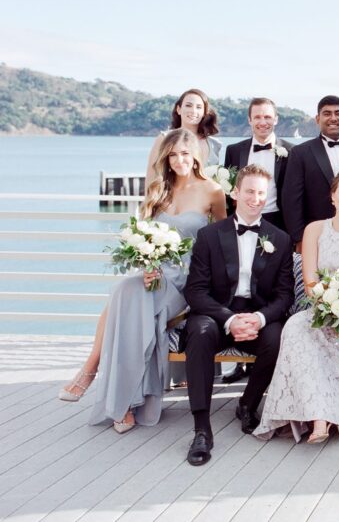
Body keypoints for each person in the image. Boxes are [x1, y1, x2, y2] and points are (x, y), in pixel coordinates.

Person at [59, 130, 227, 433]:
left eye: (185, 154)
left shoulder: (212, 191)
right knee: (124, 290)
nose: (179, 160)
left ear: (196, 156)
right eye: (173, 154)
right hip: (154, 271)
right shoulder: (157, 189)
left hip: (188, 277)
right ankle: (122, 402)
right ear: (166, 158)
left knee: (128, 301)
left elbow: (223, 239)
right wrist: (146, 266)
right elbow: (142, 237)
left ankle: (97, 377)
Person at [256, 170, 339, 442]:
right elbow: (310, 280)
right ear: (332, 195)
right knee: (295, 326)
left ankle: (326, 416)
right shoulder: (314, 229)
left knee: (312, 341)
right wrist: (327, 305)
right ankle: (327, 414)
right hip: (322, 307)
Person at [182, 164, 295, 466]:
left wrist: (258, 319)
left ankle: (248, 403)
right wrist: (229, 319)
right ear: (235, 193)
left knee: (277, 335)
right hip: (217, 316)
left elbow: (285, 295)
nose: (255, 198)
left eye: (261, 193)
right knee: (200, 332)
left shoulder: (280, 239)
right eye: (249, 191)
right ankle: (202, 427)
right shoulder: (208, 236)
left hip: (256, 315)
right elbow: (195, 291)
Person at [281, 95, 339, 250]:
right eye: (327, 114)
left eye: (338, 113)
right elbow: (291, 199)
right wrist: (299, 238)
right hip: (317, 236)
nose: (333, 118)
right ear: (318, 119)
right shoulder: (300, 153)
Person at [224, 97, 293, 231]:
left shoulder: (292, 151)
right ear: (250, 120)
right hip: (241, 221)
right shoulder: (234, 151)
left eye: (267, 117)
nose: (263, 122)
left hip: (279, 222)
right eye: (257, 117)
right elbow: (228, 191)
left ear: (276, 119)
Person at [145, 89, 222, 185]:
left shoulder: (214, 144)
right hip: (173, 199)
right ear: (179, 109)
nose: (193, 111)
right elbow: (151, 178)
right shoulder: (164, 138)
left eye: (199, 107)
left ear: (204, 113)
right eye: (188, 105)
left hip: (207, 199)